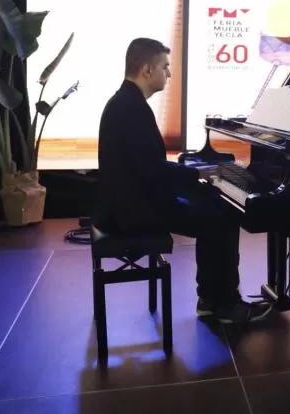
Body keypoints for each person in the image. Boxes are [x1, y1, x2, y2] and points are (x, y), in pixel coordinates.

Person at [97, 37, 271, 323]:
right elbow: (152, 171)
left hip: (130, 200)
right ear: (147, 70)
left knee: (215, 205)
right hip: (134, 212)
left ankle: (210, 298)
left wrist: (196, 178)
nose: (169, 74)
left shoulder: (125, 102)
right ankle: (225, 304)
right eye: (165, 67)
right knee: (224, 215)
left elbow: (147, 166)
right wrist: (198, 174)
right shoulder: (132, 109)